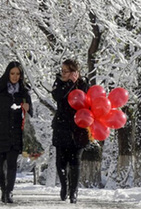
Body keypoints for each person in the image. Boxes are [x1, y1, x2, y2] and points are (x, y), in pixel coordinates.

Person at [0, 61, 33, 204]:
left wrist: (28, 108)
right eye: (12, 73)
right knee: (0, 165)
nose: (15, 77)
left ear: (21, 76)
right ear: (8, 73)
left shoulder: (24, 91)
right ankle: (3, 190)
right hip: (0, 132)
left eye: (18, 74)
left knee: (11, 164)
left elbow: (31, 113)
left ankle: (9, 192)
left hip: (16, 133)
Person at [51, 58, 89, 204]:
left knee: (75, 162)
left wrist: (77, 83)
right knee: (60, 162)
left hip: (78, 128)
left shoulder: (83, 84)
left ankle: (74, 192)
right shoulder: (59, 83)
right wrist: (68, 83)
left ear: (74, 72)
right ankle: (64, 186)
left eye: (66, 71)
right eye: (62, 71)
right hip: (61, 127)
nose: (63, 73)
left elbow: (89, 100)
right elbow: (57, 96)